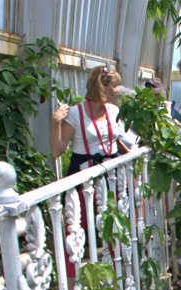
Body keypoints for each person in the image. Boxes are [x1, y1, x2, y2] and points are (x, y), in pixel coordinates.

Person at [50, 65, 130, 278]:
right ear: (103, 88)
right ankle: (70, 275)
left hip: (110, 171)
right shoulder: (76, 113)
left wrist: (131, 155)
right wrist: (56, 122)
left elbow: (116, 141)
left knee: (114, 219)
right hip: (83, 171)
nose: (118, 90)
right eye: (115, 86)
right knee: (76, 221)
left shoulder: (113, 111)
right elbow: (58, 150)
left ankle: (117, 268)